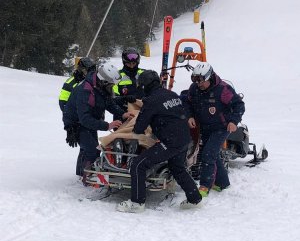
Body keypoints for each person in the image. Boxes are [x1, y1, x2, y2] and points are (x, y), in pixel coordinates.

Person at [117, 70, 202, 213]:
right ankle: (195, 199)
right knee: (177, 168)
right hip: (184, 138)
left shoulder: (151, 101)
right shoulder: (171, 94)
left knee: (138, 165)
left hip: (170, 142)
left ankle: (136, 203)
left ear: (145, 86)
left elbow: (139, 128)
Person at [63, 62, 134, 184]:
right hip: (78, 123)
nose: (112, 87)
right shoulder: (85, 91)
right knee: (92, 150)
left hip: (90, 120)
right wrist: (107, 125)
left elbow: (109, 102)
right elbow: (84, 118)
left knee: (90, 147)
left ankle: (81, 173)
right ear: (104, 81)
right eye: (111, 84)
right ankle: (87, 178)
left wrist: (123, 114)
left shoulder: (99, 86)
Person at [185, 62, 245, 197]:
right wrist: (189, 116)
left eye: (200, 80)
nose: (198, 84)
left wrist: (233, 121)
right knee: (213, 155)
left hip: (221, 127)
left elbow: (239, 105)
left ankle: (204, 186)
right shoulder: (194, 88)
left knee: (208, 154)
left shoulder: (223, 89)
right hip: (205, 127)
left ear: (209, 77)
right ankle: (223, 183)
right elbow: (187, 103)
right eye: (195, 80)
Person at [113, 47, 145, 114]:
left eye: (134, 63)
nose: (131, 66)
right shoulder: (117, 76)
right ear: (124, 62)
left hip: (143, 112)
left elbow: (154, 91)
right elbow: (112, 98)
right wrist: (125, 98)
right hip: (123, 113)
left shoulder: (144, 73)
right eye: (129, 63)